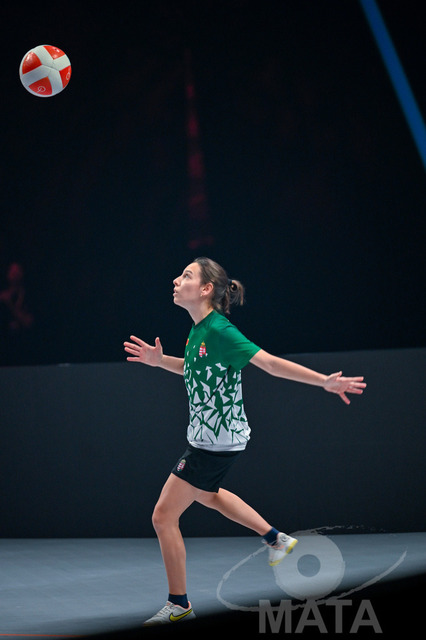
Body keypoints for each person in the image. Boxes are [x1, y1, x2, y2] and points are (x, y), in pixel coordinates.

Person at [123, 257, 366, 626]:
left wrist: (324, 382)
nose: (176, 280)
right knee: (207, 495)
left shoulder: (221, 331)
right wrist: (160, 362)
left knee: (163, 516)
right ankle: (275, 539)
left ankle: (179, 606)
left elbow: (269, 363)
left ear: (206, 289)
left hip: (213, 442)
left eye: (186, 275)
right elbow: (193, 368)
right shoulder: (198, 330)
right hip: (215, 438)